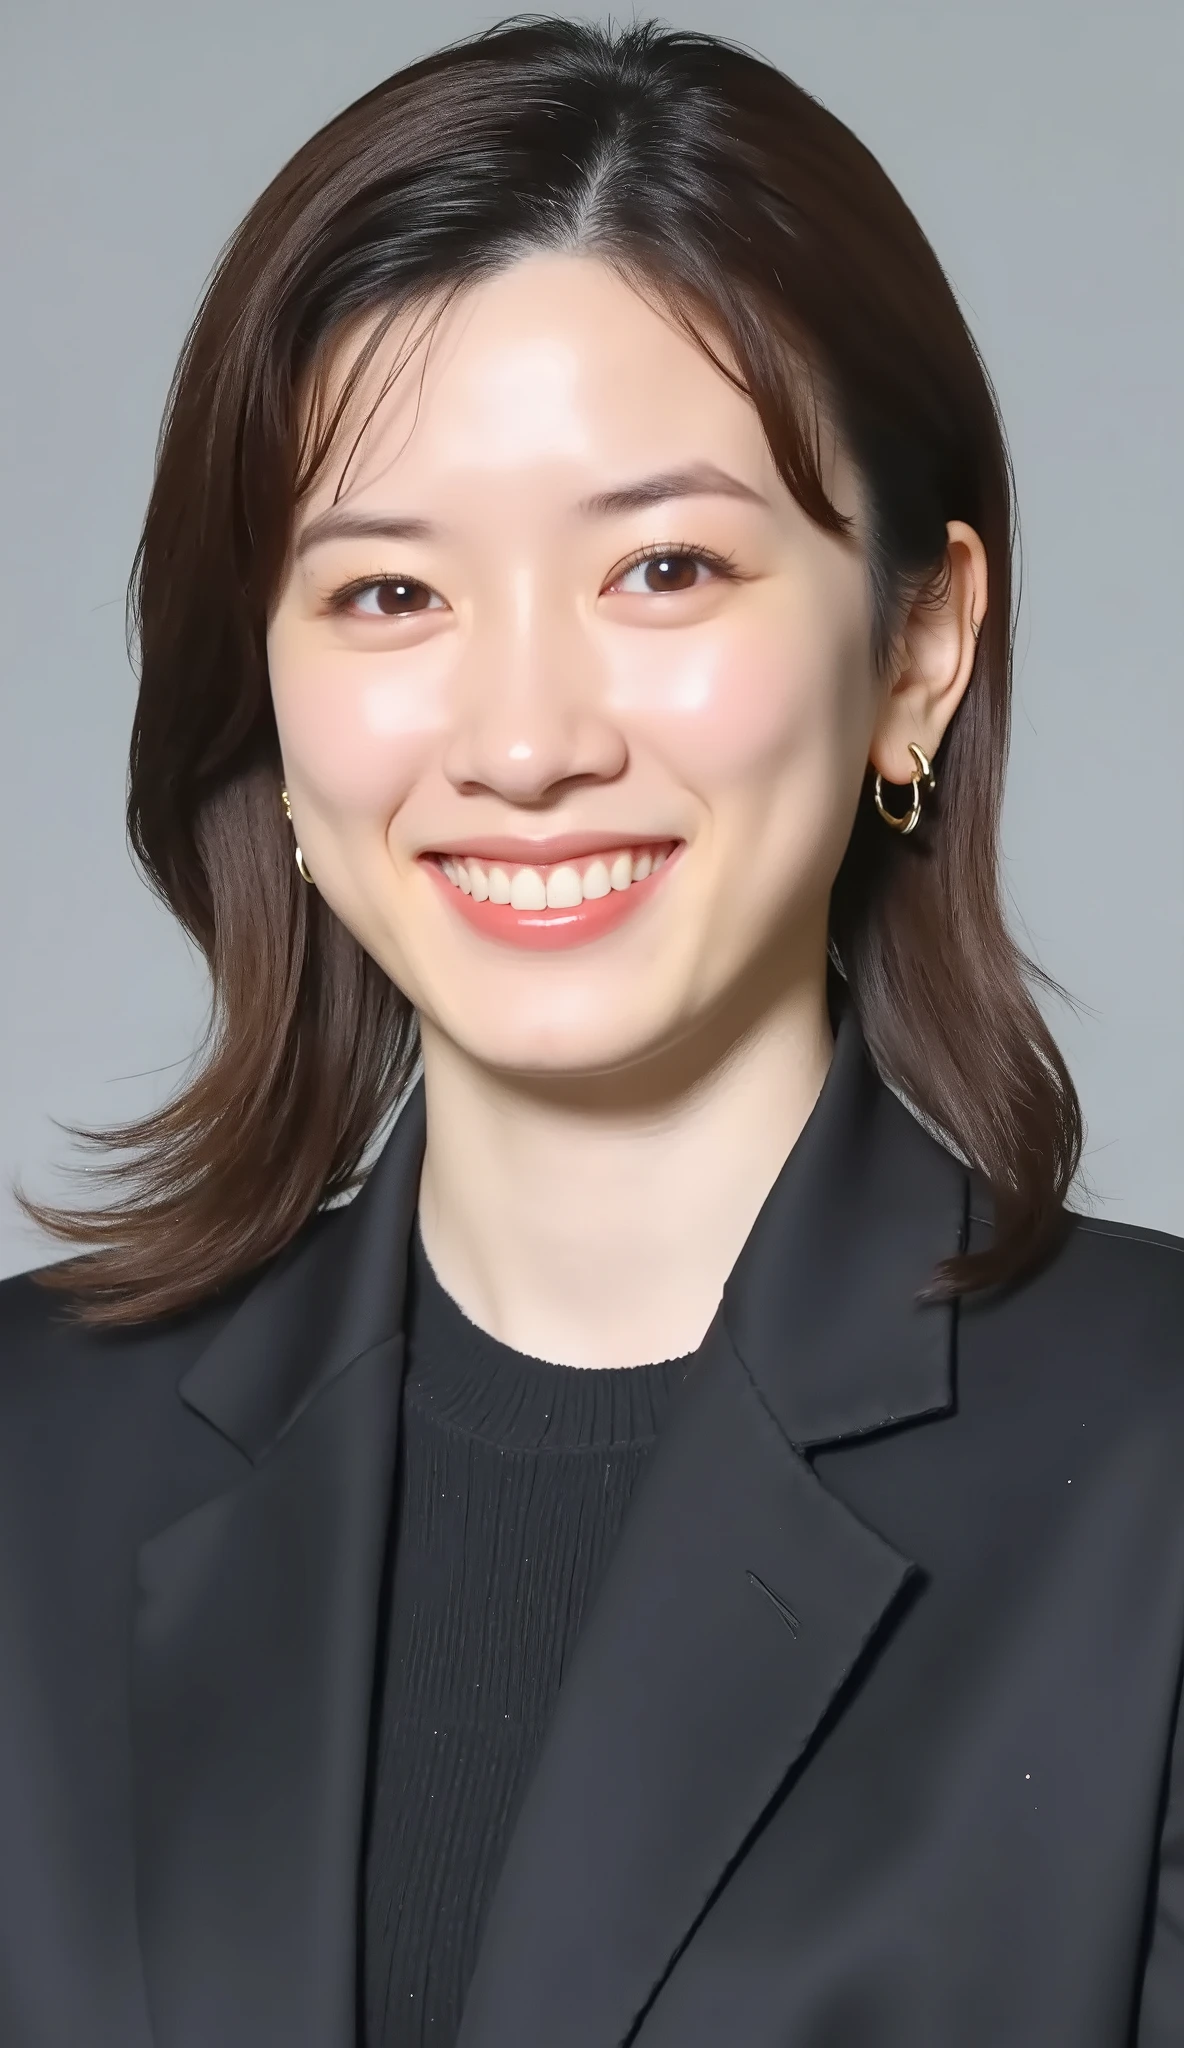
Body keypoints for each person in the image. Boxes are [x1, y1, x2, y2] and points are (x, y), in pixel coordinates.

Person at [1, 14, 1181, 2046]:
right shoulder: (26, 1462)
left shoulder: (1154, 1478)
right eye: (389, 595)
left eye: (663, 566)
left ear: (917, 645)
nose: (527, 741)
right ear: (263, 693)